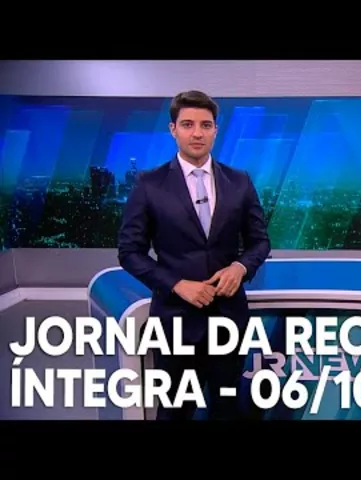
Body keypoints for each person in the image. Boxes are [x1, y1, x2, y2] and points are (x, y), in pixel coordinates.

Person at [117, 90, 271, 420]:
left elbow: (260, 242)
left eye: (205, 125)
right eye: (188, 124)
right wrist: (176, 284)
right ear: (173, 129)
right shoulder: (149, 184)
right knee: (174, 411)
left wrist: (240, 267)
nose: (197, 133)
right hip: (175, 322)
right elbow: (129, 252)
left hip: (228, 319)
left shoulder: (240, 181)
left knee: (227, 409)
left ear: (216, 130)